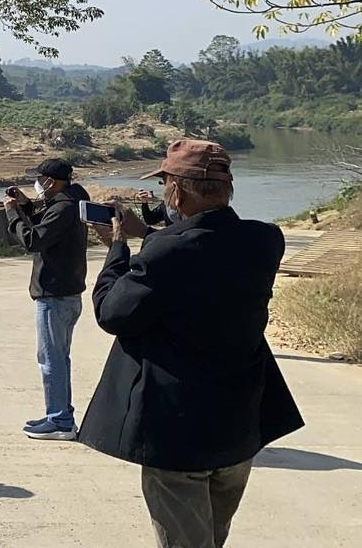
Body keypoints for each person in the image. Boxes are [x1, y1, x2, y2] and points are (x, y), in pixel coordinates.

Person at [80, 140, 303, 548]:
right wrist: (149, 234)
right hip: (238, 423)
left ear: (178, 193)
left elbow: (112, 313)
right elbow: (205, 251)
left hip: (177, 431)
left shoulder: (167, 252)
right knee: (212, 539)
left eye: (165, 184)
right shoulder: (266, 240)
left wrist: (117, 248)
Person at [3, 157, 90, 441]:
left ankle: (61, 421)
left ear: (51, 182)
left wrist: (12, 214)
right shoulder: (71, 202)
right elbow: (46, 225)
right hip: (66, 292)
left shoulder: (63, 208)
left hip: (55, 294)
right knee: (58, 358)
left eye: (40, 179)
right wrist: (26, 205)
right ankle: (59, 413)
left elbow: (33, 240)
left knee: (51, 359)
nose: (38, 184)